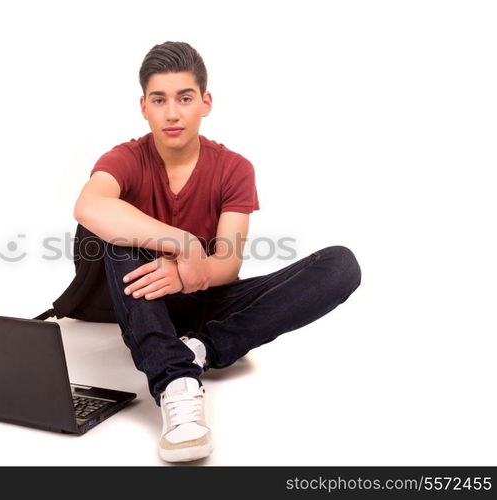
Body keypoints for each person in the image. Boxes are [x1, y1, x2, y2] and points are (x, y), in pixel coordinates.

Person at [73, 41, 361, 462]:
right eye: (160, 100)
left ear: (205, 102)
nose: (172, 113)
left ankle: (201, 349)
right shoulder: (125, 158)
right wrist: (183, 243)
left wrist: (194, 271)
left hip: (206, 298)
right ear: (144, 107)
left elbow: (227, 265)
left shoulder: (234, 168)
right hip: (142, 295)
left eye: (185, 98)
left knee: (340, 265)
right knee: (115, 234)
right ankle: (175, 382)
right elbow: (89, 206)